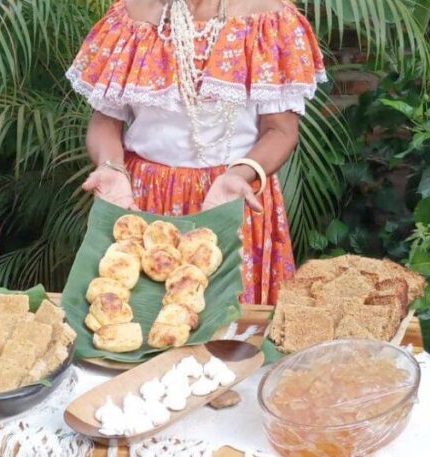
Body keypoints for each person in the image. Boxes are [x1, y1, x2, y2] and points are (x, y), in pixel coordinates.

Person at [67, 0, 326, 305]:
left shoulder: (270, 18)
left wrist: (241, 173)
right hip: (139, 201)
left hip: (231, 197)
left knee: (228, 333)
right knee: (144, 323)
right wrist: (110, 167)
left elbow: (281, 131)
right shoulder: (129, 16)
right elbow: (104, 123)